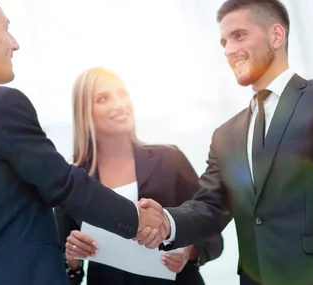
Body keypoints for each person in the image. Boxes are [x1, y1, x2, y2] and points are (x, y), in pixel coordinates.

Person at [0, 1, 167, 285]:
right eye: (6, 29)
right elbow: (63, 184)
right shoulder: (1, 105)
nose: (14, 44)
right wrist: (138, 219)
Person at [139, 0, 313, 284]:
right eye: (224, 42)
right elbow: (209, 205)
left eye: (239, 35)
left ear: (276, 36)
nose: (229, 50)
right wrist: (166, 221)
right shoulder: (226, 135)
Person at [54, 67, 223, 285]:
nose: (119, 104)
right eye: (103, 98)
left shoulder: (169, 158)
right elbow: (61, 271)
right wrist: (72, 259)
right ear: (84, 111)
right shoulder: (71, 181)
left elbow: (212, 233)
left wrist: (188, 252)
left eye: (122, 93)